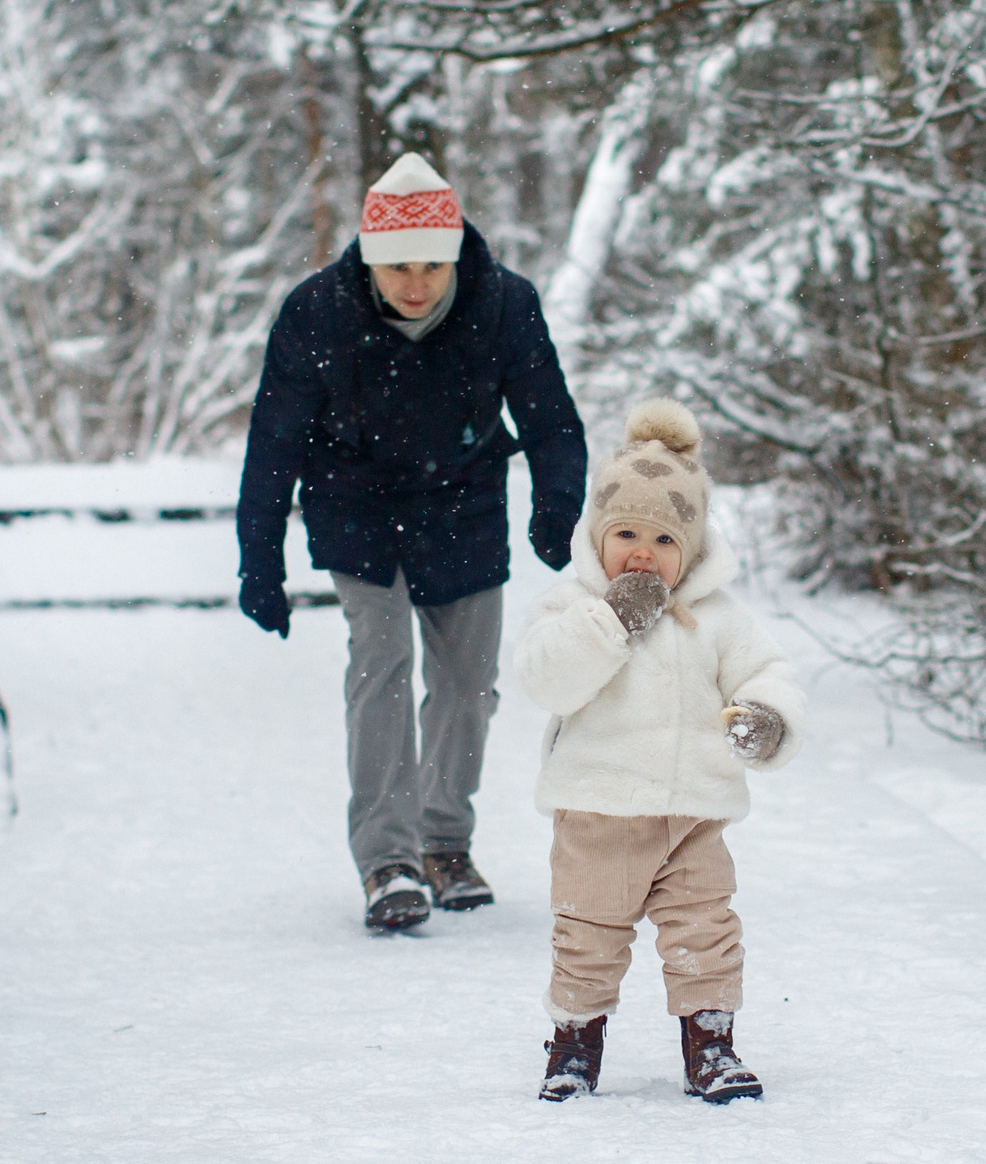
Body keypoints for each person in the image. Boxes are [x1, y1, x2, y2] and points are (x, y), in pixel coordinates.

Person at [236, 152, 587, 933]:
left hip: (463, 502)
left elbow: (552, 419)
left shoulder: (504, 304)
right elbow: (275, 441)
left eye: (432, 264)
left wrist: (558, 507)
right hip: (355, 504)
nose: (416, 283)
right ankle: (388, 858)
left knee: (468, 682)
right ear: (369, 257)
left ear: (455, 253)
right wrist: (259, 559)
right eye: (397, 266)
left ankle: (444, 843)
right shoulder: (316, 313)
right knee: (384, 661)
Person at [513, 399, 805, 1103]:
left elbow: (766, 670)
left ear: (693, 548)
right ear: (597, 535)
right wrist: (611, 621)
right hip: (597, 812)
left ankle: (711, 1044)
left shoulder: (717, 618)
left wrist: (766, 718)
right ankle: (574, 1044)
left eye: (664, 538)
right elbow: (547, 678)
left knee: (705, 929)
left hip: (692, 815)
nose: (643, 552)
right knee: (588, 934)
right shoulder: (572, 606)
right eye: (626, 533)